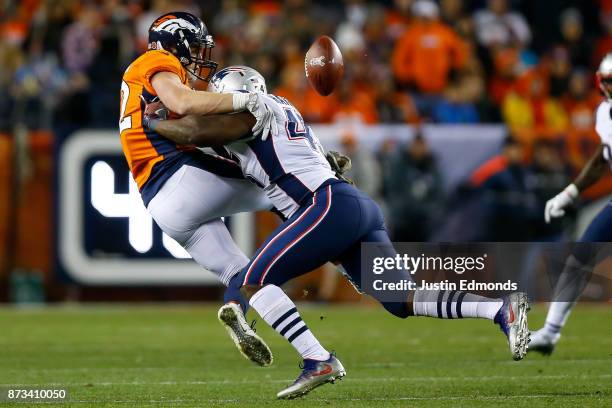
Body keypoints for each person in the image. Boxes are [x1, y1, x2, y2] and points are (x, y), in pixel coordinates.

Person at [143, 66, 531, 399]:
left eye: (217, 98)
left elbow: (195, 131)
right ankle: (500, 309)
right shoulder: (275, 113)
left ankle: (318, 359)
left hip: (326, 206)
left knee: (254, 280)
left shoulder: (252, 110)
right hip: (349, 205)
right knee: (400, 299)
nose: (213, 104)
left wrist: (153, 123)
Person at [118, 12, 286, 367]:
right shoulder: (157, 61)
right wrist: (249, 101)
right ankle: (348, 257)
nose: (198, 56)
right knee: (285, 186)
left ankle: (237, 311)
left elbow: (197, 125)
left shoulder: (145, 82)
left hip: (160, 204)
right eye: (193, 46)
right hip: (179, 176)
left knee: (242, 274)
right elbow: (183, 104)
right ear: (173, 42)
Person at [530, 54, 612, 354]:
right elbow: (605, 155)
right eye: (609, 81)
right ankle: (550, 333)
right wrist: (570, 192)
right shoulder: (604, 112)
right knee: (580, 258)